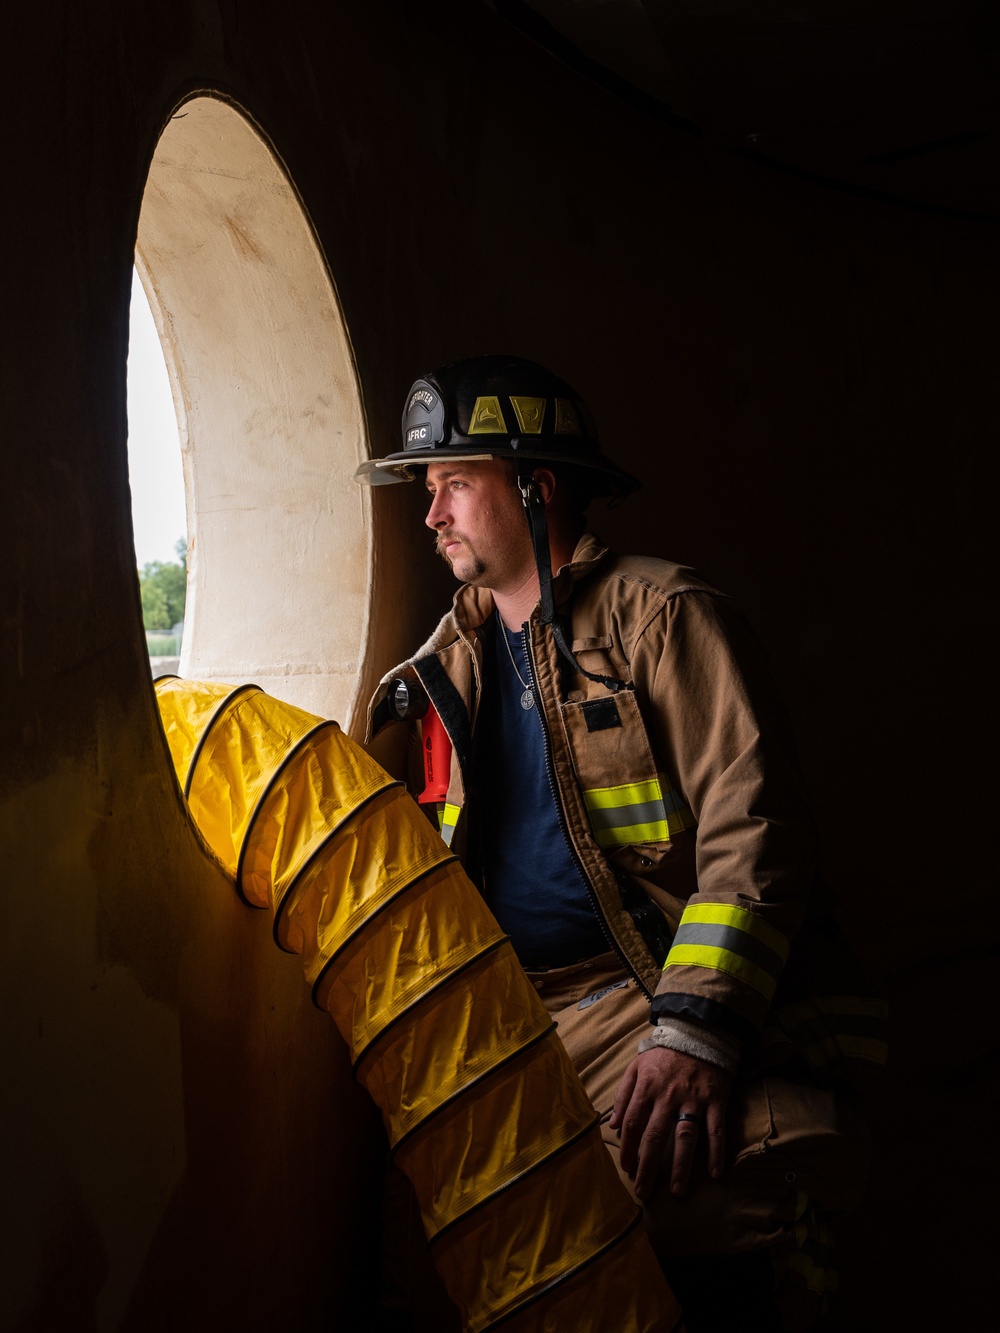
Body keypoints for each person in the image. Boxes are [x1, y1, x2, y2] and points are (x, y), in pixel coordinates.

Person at [357, 356, 886, 1332]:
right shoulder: (442, 667)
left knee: (690, 1198)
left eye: (453, 484)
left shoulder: (662, 617)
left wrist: (693, 1029)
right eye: (427, 490)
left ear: (535, 485)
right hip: (520, 1012)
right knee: (439, 1259)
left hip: (643, 985)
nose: (429, 516)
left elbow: (755, 834)